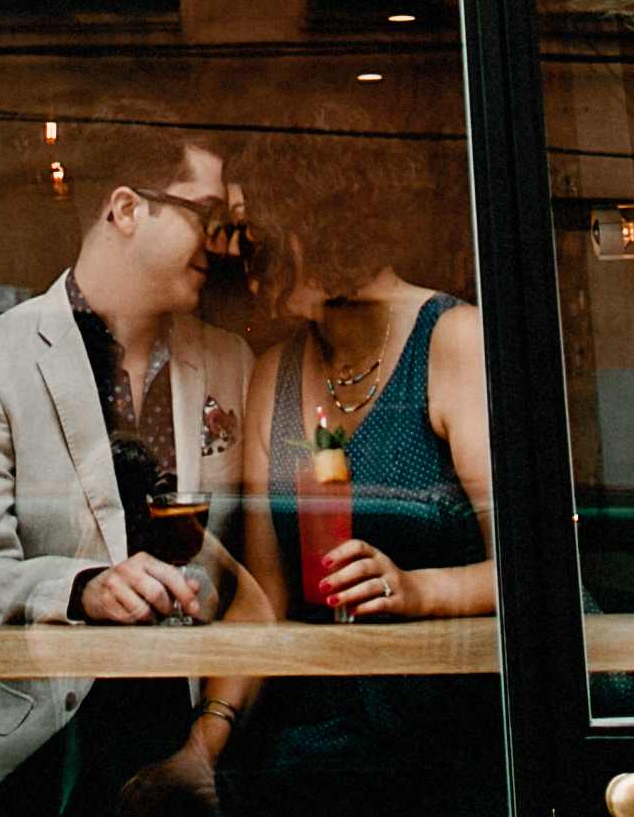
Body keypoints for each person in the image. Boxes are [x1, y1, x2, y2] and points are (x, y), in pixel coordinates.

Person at [124, 145, 497, 817]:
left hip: (466, 728)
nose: (232, 248)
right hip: (333, 742)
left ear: (308, 224)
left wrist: (420, 590)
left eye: (246, 225)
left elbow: (538, 561)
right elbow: (265, 596)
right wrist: (202, 748)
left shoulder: (454, 341)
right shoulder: (277, 373)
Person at [0, 128, 259, 817]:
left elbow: (256, 573)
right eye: (206, 216)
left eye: (230, 224)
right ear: (124, 209)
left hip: (188, 741)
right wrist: (84, 588)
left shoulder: (233, 361)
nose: (225, 242)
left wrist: (208, 740)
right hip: (28, 755)